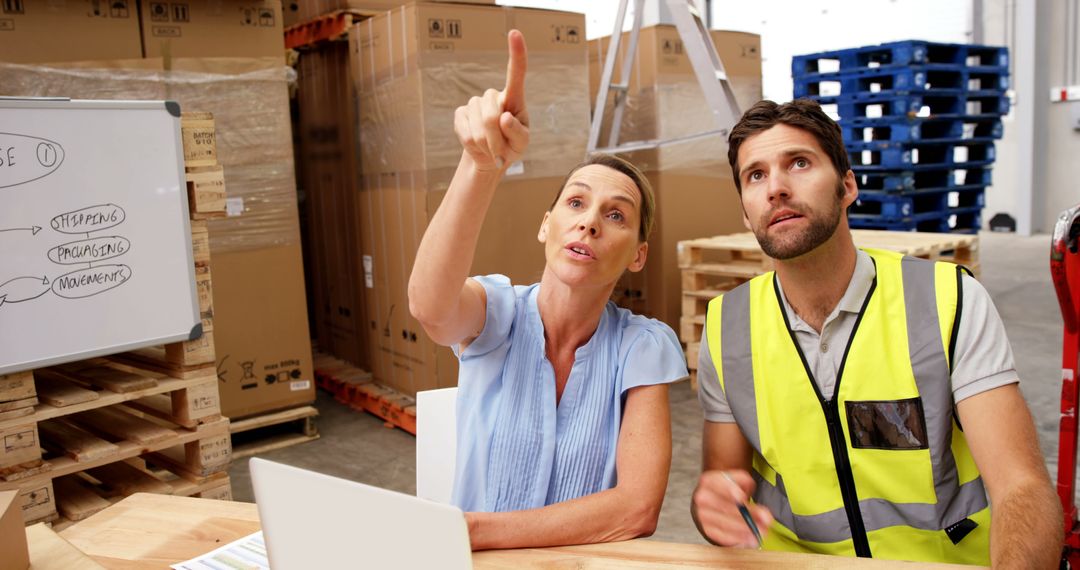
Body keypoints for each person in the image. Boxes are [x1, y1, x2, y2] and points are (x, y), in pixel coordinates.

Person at [690, 99, 1063, 567]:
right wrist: (714, 509)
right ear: (746, 213)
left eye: (799, 163)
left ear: (848, 186)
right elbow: (723, 491)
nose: (776, 189)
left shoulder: (945, 300)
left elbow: (1021, 486)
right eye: (756, 176)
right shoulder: (727, 327)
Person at [408, 30, 688, 551]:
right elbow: (430, 305)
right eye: (576, 204)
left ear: (638, 255)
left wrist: (473, 531)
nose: (589, 225)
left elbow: (637, 508)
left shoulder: (641, 347)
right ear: (546, 226)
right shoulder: (496, 315)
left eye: (616, 214)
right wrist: (480, 166)